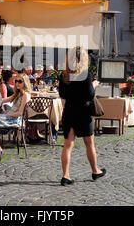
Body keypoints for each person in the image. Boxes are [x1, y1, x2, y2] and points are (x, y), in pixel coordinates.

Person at [58, 47, 105, 186]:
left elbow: (62, 94)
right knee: (89, 144)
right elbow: (90, 94)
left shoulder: (64, 75)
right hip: (83, 112)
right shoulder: (85, 74)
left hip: (69, 111)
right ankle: (95, 171)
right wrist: (94, 84)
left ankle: (66, 175)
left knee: (68, 145)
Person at [0, 73, 31, 145]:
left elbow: (20, 113)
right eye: (16, 81)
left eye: (20, 81)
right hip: (10, 116)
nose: (17, 83)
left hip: (16, 119)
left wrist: (7, 114)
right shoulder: (17, 93)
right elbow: (4, 100)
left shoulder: (25, 95)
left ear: (25, 82)